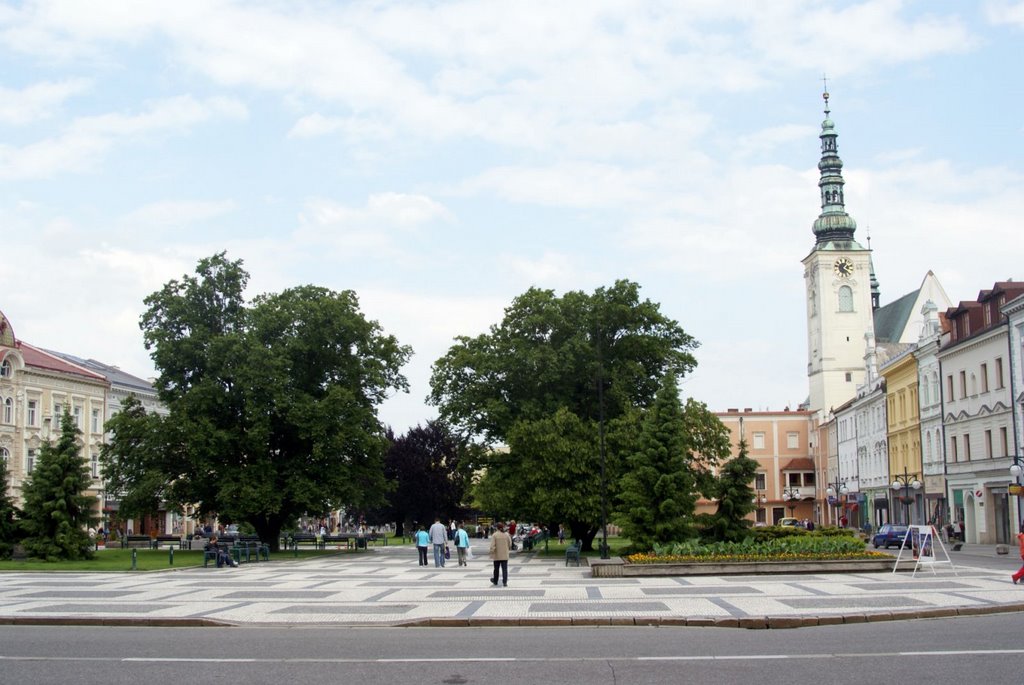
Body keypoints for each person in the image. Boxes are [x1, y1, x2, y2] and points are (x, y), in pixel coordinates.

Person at [489, 521, 512, 587]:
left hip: (497, 555)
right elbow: (510, 544)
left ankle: (495, 581)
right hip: (505, 554)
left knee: (496, 569)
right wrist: (507, 548)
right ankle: (505, 582)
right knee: (504, 569)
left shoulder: (495, 535)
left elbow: (492, 545)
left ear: (497, 528)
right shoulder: (507, 534)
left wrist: (491, 552)